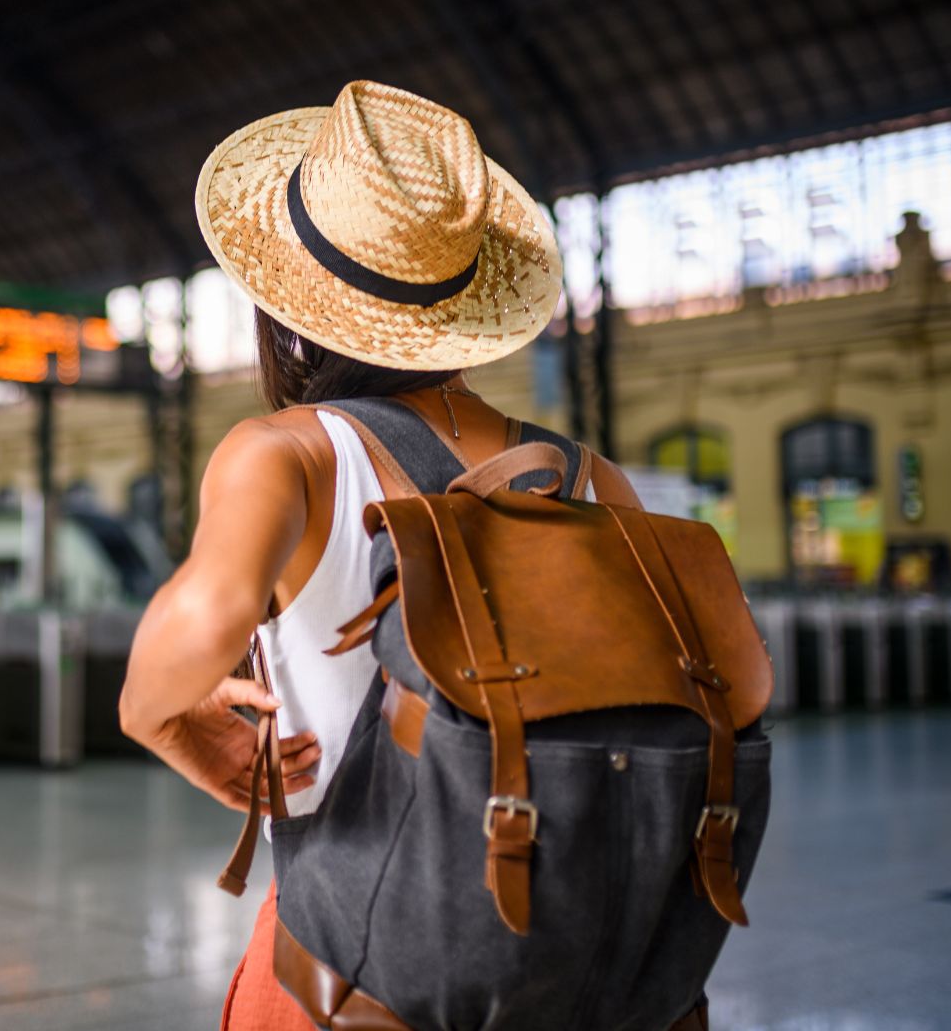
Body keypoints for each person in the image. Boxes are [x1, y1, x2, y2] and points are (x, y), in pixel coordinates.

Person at [120, 82, 613, 1029]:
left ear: (283, 295)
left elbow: (199, 626)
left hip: (350, 969)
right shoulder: (591, 478)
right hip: (563, 966)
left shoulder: (288, 454)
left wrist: (169, 723)